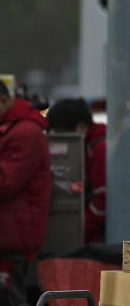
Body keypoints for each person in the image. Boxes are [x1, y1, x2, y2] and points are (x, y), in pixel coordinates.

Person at [0, 73, 51, 304]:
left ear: (4, 100)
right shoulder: (2, 130)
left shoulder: (25, 133)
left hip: (10, 240)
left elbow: (5, 183)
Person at [46, 98, 107, 243]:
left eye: (62, 133)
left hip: (101, 236)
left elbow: (102, 200)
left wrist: (77, 230)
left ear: (81, 128)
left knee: (120, 265)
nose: (60, 140)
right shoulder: (85, 147)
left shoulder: (100, 148)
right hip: (93, 234)